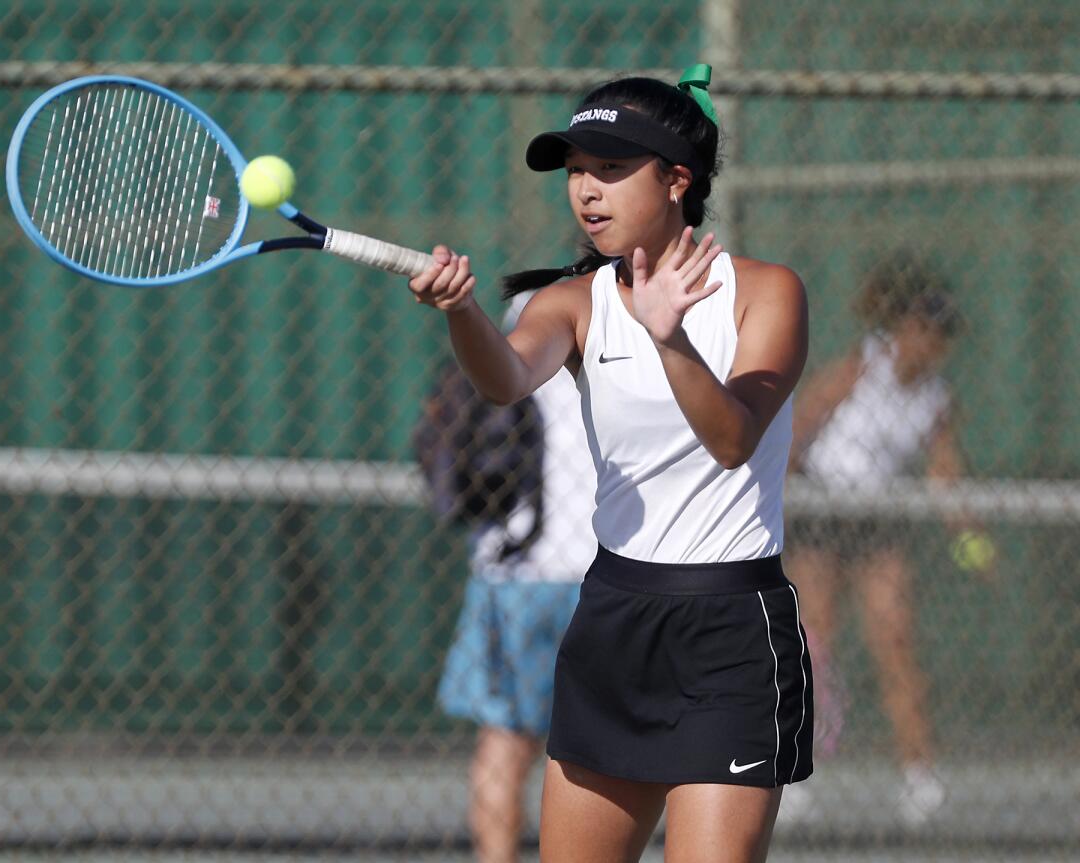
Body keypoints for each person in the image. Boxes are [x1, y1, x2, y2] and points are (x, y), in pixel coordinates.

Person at [409, 65, 813, 863]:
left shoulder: (768, 293)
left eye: (611, 169)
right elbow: (503, 380)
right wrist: (462, 312)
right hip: (614, 622)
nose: (586, 191)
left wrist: (669, 339)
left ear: (676, 181)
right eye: (575, 172)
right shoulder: (574, 302)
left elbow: (733, 441)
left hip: (730, 632)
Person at [786, 257, 974, 825]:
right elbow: (801, 425)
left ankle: (920, 777)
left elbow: (945, 475)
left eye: (943, 335)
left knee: (896, 642)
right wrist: (775, 493)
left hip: (879, 521)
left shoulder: (936, 398)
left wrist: (971, 540)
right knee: (810, 647)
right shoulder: (861, 367)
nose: (933, 344)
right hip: (821, 511)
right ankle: (792, 777)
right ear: (907, 328)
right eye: (926, 330)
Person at [436, 292, 599, 863]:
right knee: (588, 759)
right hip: (589, 573)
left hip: (524, 578)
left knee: (508, 746)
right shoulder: (625, 318)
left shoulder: (526, 317)